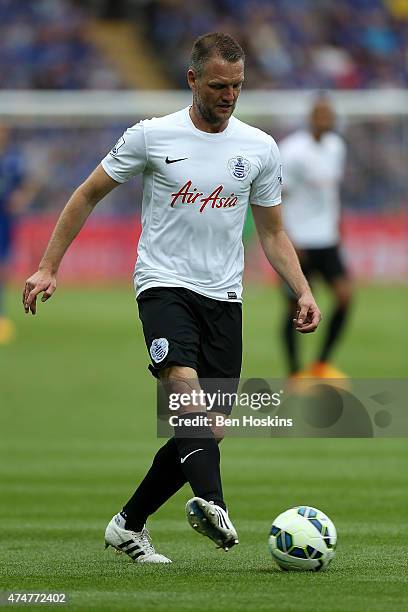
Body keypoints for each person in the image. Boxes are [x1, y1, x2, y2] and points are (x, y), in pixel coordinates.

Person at [23, 32, 321, 564]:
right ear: (192, 80)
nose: (229, 95)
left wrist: (301, 289)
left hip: (224, 296)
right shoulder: (150, 136)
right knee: (181, 388)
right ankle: (213, 502)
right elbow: (88, 192)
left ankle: (128, 524)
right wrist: (48, 265)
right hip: (162, 283)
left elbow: (273, 232)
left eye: (237, 86)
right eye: (218, 85)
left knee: (210, 428)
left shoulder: (259, 148)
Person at [279, 97, 352, 378]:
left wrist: (337, 225)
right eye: (320, 114)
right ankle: (294, 372)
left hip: (327, 238)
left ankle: (321, 363)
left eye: (329, 114)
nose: (325, 119)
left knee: (344, 297)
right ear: (309, 117)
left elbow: (330, 193)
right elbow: (278, 197)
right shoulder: (292, 151)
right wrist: (288, 239)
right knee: (293, 308)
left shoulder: (336, 147)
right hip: (299, 241)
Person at [0, 124, 33, 344]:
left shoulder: (13, 161)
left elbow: (26, 184)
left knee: (3, 267)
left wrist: (21, 198)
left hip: (4, 219)